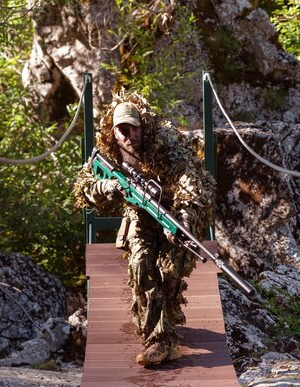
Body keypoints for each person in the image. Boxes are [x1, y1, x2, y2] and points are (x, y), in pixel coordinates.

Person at [74, 91, 216, 367]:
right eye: (122, 130)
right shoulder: (108, 152)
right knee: (141, 265)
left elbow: (191, 180)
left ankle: (167, 320)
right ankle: (158, 340)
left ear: (143, 126)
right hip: (139, 215)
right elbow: (84, 186)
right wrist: (109, 186)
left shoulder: (167, 143)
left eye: (134, 128)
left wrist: (184, 219)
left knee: (170, 269)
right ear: (113, 132)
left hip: (174, 213)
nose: (129, 136)